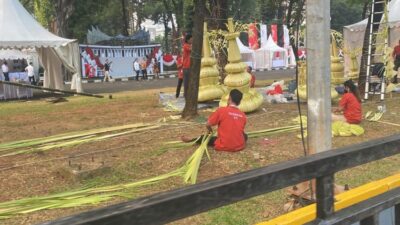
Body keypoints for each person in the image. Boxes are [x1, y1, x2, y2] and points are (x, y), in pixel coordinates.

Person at [181, 89, 248, 152]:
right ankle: (237, 142)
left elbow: (208, 124)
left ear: (229, 98)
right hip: (239, 146)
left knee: (205, 138)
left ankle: (192, 140)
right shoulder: (243, 115)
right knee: (245, 135)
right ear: (239, 102)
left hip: (224, 144)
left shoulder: (221, 110)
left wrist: (210, 131)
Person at [182, 34, 192, 99]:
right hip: (186, 66)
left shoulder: (189, 45)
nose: (192, 40)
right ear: (188, 40)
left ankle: (188, 94)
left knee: (190, 82)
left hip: (189, 66)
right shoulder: (186, 46)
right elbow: (192, 49)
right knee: (186, 82)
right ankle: (186, 95)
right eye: (191, 39)